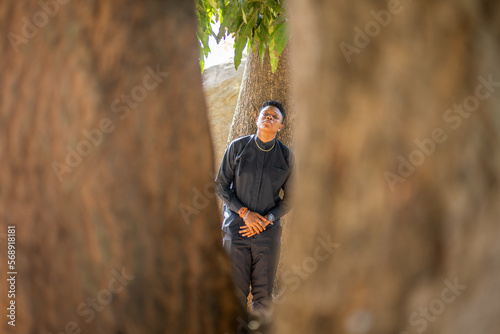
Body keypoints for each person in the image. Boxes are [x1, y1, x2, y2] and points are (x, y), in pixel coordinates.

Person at [215, 100, 294, 319]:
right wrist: (244, 213)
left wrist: (267, 219)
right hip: (236, 233)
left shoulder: (286, 157)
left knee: (263, 297)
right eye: (266, 114)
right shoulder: (237, 148)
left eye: (275, 117)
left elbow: (292, 197)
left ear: (281, 126)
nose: (269, 118)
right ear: (256, 119)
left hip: (267, 237)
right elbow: (220, 186)